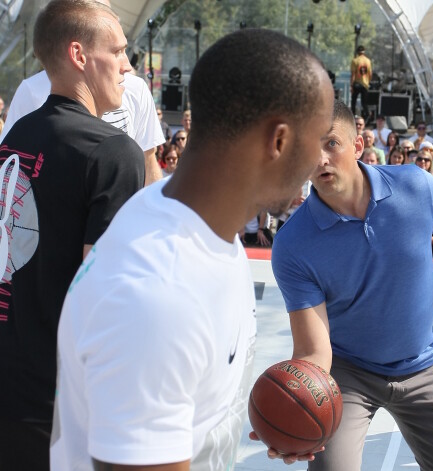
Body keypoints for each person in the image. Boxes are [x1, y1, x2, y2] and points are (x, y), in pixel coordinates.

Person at [51, 27, 335, 470]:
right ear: (278, 141)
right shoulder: (156, 295)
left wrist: (259, 416)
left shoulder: (189, 224)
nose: (321, 160)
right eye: (318, 139)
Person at [269, 99, 433, 470]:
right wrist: (294, 410)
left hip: (425, 364)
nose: (321, 159)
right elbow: (314, 350)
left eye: (331, 144)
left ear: (358, 146)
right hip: (348, 373)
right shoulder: (293, 244)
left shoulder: (416, 188)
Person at [0, 1, 145, 468]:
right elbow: (104, 297)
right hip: (58, 404)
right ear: (79, 55)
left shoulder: (17, 133)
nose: (128, 65)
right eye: (119, 51)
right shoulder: (112, 151)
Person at [1, 56, 164, 186]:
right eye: (116, 51)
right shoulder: (32, 89)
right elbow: (9, 163)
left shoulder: (136, 88)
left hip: (124, 222)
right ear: (77, 52)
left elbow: (149, 165)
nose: (127, 64)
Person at [350, 45, 372, 119]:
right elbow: (370, 74)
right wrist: (368, 82)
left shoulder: (355, 61)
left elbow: (353, 74)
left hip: (357, 83)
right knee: (364, 103)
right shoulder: (368, 61)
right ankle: (367, 116)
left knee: (353, 101)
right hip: (365, 84)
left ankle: (352, 116)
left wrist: (351, 85)